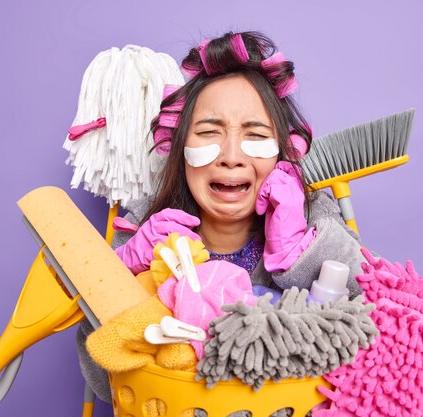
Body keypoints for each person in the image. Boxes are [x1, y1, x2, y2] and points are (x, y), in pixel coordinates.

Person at [77, 31, 366, 403]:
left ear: (282, 150)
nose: (231, 155)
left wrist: (301, 251)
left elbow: (372, 330)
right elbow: (106, 385)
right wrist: (123, 275)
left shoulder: (315, 218)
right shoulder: (140, 226)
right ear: (179, 148)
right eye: (209, 132)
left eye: (255, 134)